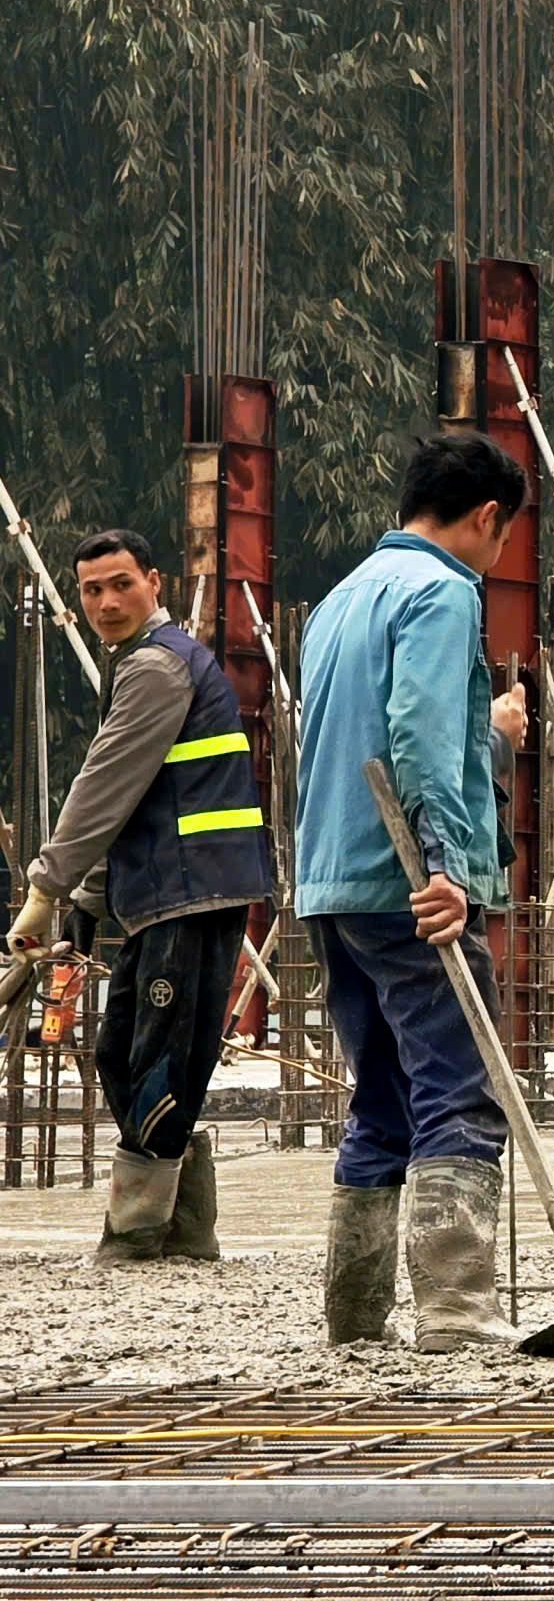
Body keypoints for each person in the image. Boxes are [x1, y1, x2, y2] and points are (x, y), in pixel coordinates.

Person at [295, 431, 529, 1350]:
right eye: (502, 536)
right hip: (407, 883)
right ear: (484, 518)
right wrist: (442, 870)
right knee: (459, 1086)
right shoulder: (441, 591)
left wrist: (491, 730)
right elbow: (420, 737)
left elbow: (349, 736)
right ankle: (458, 1311)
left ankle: (353, 1317)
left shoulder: (341, 600)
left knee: (383, 1097)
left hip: (333, 881)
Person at [5, 530, 273, 1264]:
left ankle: (138, 1234)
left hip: (193, 892)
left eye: (121, 583)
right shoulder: (143, 665)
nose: (106, 602)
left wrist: (45, 888)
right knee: (122, 1053)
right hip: (165, 891)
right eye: (92, 589)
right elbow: (133, 801)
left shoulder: (157, 666)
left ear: (154, 582)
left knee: (156, 1060)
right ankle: (186, 1228)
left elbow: (104, 783)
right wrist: (88, 903)